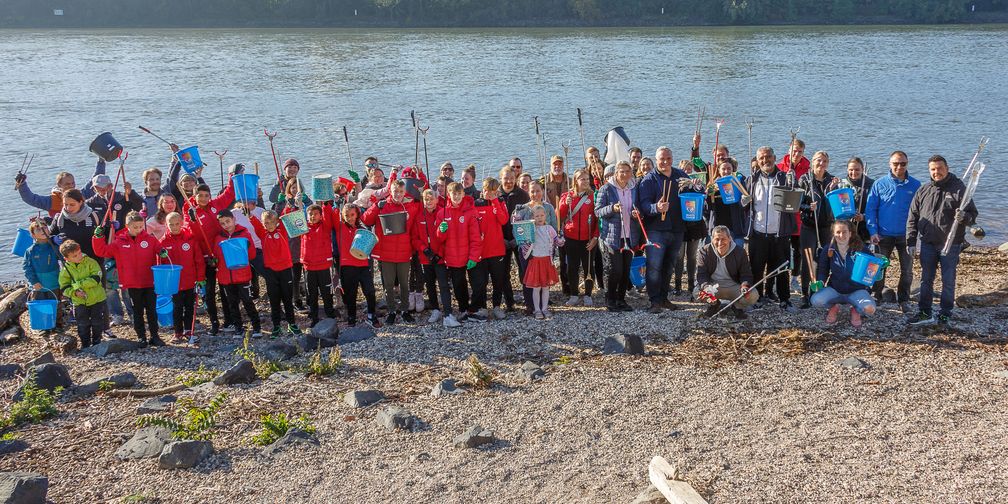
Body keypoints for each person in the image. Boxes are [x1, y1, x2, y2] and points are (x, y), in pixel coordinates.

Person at [905, 155, 978, 326]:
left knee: (948, 280)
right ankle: (925, 312)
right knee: (926, 279)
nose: (936, 172)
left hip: (951, 244)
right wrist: (910, 241)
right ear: (929, 170)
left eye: (939, 168)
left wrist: (964, 217)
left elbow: (973, 216)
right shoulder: (923, 190)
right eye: (933, 169)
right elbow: (912, 217)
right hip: (928, 243)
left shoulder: (960, 189)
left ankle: (945, 313)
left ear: (947, 167)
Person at [92, 211, 165, 347]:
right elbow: (102, 251)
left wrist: (162, 252)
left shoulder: (149, 239)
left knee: (151, 310)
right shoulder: (119, 242)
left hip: (149, 281)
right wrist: (98, 236)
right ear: (127, 226)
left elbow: (159, 248)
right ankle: (141, 337)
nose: (138, 230)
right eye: (135, 227)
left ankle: (155, 336)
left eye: (140, 227)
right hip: (131, 283)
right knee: (137, 311)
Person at [636, 146, 695, 313]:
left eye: (668, 158)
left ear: (672, 159)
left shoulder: (680, 175)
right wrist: (657, 207)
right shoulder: (649, 179)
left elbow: (694, 192)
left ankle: (664, 298)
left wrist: (696, 185)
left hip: (677, 228)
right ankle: (654, 300)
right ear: (656, 160)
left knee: (669, 265)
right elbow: (644, 205)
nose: (665, 162)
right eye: (662, 159)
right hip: (656, 229)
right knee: (654, 266)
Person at [865, 151, 921, 311]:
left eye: (903, 163)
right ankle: (877, 296)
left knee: (907, 270)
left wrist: (917, 232)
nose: (899, 167)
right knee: (878, 269)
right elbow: (871, 209)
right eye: (896, 163)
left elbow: (920, 211)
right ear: (890, 164)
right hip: (882, 235)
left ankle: (904, 299)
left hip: (906, 236)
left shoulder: (915, 185)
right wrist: (872, 230)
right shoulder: (879, 184)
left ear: (907, 164)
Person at [746, 146, 797, 312]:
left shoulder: (784, 178)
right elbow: (744, 204)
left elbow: (794, 203)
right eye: (761, 158)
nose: (765, 160)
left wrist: (793, 183)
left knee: (781, 268)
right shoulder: (752, 179)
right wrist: (744, 201)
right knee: (757, 269)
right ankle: (757, 298)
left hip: (779, 233)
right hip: (758, 232)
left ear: (774, 158)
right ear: (757, 160)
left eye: (768, 157)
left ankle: (784, 300)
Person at [183, 178, 236, 336]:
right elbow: (189, 231)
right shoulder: (190, 210)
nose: (204, 198)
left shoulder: (215, 205)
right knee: (210, 292)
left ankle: (229, 320)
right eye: (200, 195)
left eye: (207, 195)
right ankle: (214, 322)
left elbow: (229, 194)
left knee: (226, 288)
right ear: (195, 196)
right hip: (205, 258)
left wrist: (232, 177)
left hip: (220, 254)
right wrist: (192, 220)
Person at [363, 180, 419, 325]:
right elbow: (366, 220)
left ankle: (405, 310)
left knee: (404, 284)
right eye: (395, 191)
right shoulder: (382, 205)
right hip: (386, 253)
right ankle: (392, 311)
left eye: (401, 191)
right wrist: (376, 206)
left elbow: (425, 202)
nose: (398, 194)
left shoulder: (411, 206)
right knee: (388, 285)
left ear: (404, 192)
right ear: (390, 191)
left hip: (404, 252)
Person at [810, 220, 877, 328]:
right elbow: (823, 269)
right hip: (835, 289)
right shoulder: (829, 249)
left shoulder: (861, 249)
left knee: (870, 309)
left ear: (850, 233)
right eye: (838, 232)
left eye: (844, 232)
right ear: (833, 234)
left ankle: (855, 309)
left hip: (857, 290)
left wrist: (880, 267)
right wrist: (820, 282)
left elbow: (873, 266)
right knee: (816, 300)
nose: (841, 235)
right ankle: (834, 307)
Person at [595, 161, 641, 312]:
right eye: (621, 171)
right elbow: (598, 211)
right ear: (616, 173)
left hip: (629, 235)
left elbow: (637, 207)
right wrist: (612, 208)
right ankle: (610, 299)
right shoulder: (606, 188)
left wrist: (636, 214)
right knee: (615, 269)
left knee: (626, 269)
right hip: (612, 236)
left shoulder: (633, 189)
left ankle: (621, 299)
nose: (625, 174)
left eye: (627, 171)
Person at [249, 210, 300, 338]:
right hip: (271, 271)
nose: (269, 225)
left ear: (277, 222)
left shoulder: (282, 231)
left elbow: (287, 216)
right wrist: (249, 214)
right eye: (266, 223)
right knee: (274, 301)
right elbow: (254, 223)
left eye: (272, 222)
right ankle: (276, 326)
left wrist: (289, 206)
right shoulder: (262, 234)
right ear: (263, 224)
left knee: (287, 299)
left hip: (285, 270)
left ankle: (292, 324)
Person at [796, 151, 838, 307]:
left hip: (827, 226)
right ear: (812, 162)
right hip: (809, 226)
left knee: (825, 258)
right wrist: (808, 207)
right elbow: (797, 203)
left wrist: (833, 189)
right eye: (819, 161)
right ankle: (805, 293)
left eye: (825, 161)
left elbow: (837, 204)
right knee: (808, 260)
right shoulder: (805, 180)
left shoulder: (831, 180)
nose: (821, 164)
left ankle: (820, 290)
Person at [436, 182, 480, 326]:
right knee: (458, 284)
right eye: (453, 193)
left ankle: (474, 308)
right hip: (452, 257)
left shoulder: (470, 211)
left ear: (463, 194)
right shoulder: (442, 213)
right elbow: (439, 239)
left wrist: (473, 256)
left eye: (459, 193)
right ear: (449, 194)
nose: (456, 196)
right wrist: (441, 230)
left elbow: (475, 237)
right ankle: (463, 309)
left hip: (468, 255)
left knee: (477, 283)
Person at [211, 209, 262, 337]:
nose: (226, 225)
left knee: (247, 301)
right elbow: (217, 258)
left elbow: (251, 255)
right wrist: (213, 261)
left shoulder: (244, 234)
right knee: (232, 304)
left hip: (242, 275)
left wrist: (248, 246)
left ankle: (256, 327)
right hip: (226, 277)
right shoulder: (218, 238)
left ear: (234, 219)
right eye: (222, 223)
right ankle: (238, 328)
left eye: (228, 221)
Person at [512, 181, 560, 309]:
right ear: (528, 192)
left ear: (542, 191)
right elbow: (516, 230)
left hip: (545, 249)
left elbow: (554, 228)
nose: (535, 194)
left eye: (538, 191)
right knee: (528, 276)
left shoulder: (549, 207)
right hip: (528, 250)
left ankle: (543, 305)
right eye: (532, 191)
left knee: (543, 276)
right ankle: (530, 305)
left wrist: (556, 243)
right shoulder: (522, 209)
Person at [159, 212, 205, 343]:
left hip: (190, 280)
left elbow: (199, 260)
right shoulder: (163, 242)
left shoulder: (190, 239)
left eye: (177, 224)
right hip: (174, 283)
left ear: (182, 223)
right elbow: (160, 265)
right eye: (171, 224)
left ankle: (189, 330)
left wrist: (200, 277)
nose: (174, 227)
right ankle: (178, 332)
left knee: (190, 306)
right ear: (166, 225)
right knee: (177, 307)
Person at [470, 178, 511, 320]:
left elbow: (503, 220)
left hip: (497, 249)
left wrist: (494, 201)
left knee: (498, 280)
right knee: (481, 281)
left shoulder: (500, 202)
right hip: (481, 251)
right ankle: (482, 307)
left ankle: (497, 306)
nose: (489, 193)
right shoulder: (476, 203)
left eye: (493, 191)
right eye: (487, 190)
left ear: (497, 191)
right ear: (483, 189)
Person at [696, 226, 757, 319]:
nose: (720, 243)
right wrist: (705, 286)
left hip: (734, 285)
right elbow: (702, 274)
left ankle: (737, 307)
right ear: (712, 239)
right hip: (713, 286)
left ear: (729, 238)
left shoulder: (740, 252)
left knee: (753, 295)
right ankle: (714, 304)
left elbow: (746, 274)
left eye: (723, 239)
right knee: (697, 293)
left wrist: (745, 285)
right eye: (717, 239)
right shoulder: (704, 251)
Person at [558, 169, 599, 307]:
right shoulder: (566, 196)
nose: (586, 182)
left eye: (587, 179)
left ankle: (588, 294)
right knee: (572, 267)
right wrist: (565, 204)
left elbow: (598, 220)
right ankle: (574, 294)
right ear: (575, 181)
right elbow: (560, 217)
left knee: (588, 268)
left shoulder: (594, 196)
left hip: (588, 238)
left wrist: (595, 237)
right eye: (582, 179)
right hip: (571, 237)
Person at [412, 189, 452, 325]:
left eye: (431, 199)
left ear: (436, 200)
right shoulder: (419, 216)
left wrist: (439, 254)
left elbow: (447, 238)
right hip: (426, 257)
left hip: (440, 257)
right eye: (426, 199)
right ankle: (435, 309)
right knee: (429, 285)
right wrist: (425, 250)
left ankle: (448, 312)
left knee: (443, 284)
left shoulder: (443, 213)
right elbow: (415, 238)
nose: (428, 202)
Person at [58, 239, 107, 349]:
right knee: (82, 323)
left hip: (97, 298)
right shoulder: (65, 270)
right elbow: (64, 287)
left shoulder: (91, 262)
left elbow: (96, 278)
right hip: (79, 301)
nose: (79, 256)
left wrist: (79, 284)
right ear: (67, 258)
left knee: (97, 322)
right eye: (74, 256)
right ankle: (85, 344)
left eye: (79, 253)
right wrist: (74, 292)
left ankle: (97, 341)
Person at [337, 204, 380, 327]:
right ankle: (351, 318)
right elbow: (329, 214)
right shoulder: (339, 227)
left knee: (370, 291)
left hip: (363, 265)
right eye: (346, 215)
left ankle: (371, 315)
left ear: (357, 215)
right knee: (350, 294)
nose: (350, 218)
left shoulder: (362, 229)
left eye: (352, 215)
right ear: (342, 216)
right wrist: (331, 203)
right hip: (347, 265)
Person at [16, 158, 104, 217]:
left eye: (73, 183)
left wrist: (101, 161)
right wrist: (22, 183)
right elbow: (30, 198)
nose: (71, 186)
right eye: (67, 184)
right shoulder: (51, 201)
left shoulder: (82, 194)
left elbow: (96, 179)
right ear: (59, 185)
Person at [778, 138, 809, 293]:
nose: (796, 154)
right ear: (789, 149)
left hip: (799, 217)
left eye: (800, 152)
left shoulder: (807, 168)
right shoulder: (780, 167)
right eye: (794, 150)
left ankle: (795, 278)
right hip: (783, 216)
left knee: (798, 250)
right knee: (783, 249)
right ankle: (782, 278)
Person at [521, 206, 563, 319]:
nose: (539, 218)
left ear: (545, 216)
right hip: (535, 260)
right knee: (536, 287)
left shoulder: (549, 228)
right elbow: (524, 241)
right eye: (537, 216)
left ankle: (545, 308)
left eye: (542, 215)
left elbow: (557, 241)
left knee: (545, 287)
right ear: (533, 217)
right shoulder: (531, 229)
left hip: (546, 260)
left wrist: (561, 240)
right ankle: (537, 309)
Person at [300, 203, 339, 326]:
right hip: (309, 266)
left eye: (316, 214)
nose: (313, 216)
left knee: (326, 291)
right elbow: (291, 221)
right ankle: (314, 316)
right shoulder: (303, 227)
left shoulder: (325, 226)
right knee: (312, 293)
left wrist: (325, 204)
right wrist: (295, 205)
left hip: (323, 265)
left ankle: (329, 312)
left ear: (321, 216)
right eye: (310, 214)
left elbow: (328, 216)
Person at [674, 159, 706, 298]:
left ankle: (692, 283)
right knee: (679, 256)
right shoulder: (675, 183)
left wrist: (698, 186)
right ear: (680, 170)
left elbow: (703, 194)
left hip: (695, 226)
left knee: (692, 256)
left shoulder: (696, 183)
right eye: (684, 169)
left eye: (689, 169)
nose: (687, 172)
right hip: (680, 226)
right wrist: (682, 186)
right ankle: (678, 284)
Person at [23, 221, 64, 325]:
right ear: (33, 234)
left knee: (55, 304)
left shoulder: (54, 246)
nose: (42, 231)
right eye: (38, 229)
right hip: (38, 285)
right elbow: (27, 267)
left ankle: (56, 324)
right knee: (39, 304)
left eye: (45, 228)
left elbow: (64, 260)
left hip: (54, 282)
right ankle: (42, 325)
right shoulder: (31, 250)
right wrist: (34, 281)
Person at [499, 166, 530, 300]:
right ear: (501, 178)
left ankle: (528, 300)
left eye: (512, 178)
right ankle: (509, 302)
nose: (509, 181)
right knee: (504, 272)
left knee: (525, 270)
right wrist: (501, 239)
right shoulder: (495, 194)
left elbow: (528, 219)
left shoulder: (522, 195)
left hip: (519, 239)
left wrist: (517, 239)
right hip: (501, 239)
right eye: (506, 178)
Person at [707, 161, 748, 247]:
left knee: (737, 255)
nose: (726, 171)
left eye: (729, 168)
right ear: (719, 170)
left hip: (736, 227)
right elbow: (707, 209)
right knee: (718, 256)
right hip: (718, 227)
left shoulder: (738, 183)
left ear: (733, 169)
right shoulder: (713, 185)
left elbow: (745, 205)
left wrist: (745, 200)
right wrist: (707, 195)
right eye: (723, 169)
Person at [842, 157, 874, 242]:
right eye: (851, 169)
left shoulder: (872, 185)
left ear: (862, 169)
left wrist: (864, 217)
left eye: (857, 169)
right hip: (847, 226)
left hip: (865, 227)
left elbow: (877, 209)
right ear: (847, 170)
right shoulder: (842, 185)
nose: (854, 172)